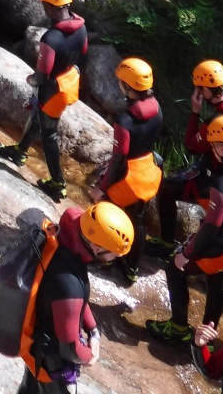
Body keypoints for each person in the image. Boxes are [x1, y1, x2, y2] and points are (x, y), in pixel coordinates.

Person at [146, 115, 223, 344]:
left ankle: (178, 327)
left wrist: (185, 255)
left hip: (221, 244)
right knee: (218, 284)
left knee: (175, 269)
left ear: (220, 146)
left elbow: (210, 228)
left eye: (213, 146)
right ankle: (207, 335)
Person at [18, 202, 134, 394]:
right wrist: (90, 355)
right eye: (113, 254)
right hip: (50, 357)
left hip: (35, 338)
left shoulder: (70, 229)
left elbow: (76, 303)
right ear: (97, 247)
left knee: (29, 388)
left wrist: (93, 330)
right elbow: (70, 349)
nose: (115, 259)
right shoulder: (69, 285)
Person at [150, 60, 223, 258]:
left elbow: (191, 146)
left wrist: (195, 110)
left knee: (166, 189)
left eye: (200, 89)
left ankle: (166, 243)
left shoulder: (217, 120)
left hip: (217, 180)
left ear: (206, 90)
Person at [0, 0, 88, 201]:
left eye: (45, 5)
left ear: (52, 6)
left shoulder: (51, 39)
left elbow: (42, 74)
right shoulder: (81, 27)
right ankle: (19, 152)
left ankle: (58, 183)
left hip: (51, 91)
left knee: (49, 135)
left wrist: (31, 79)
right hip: (67, 82)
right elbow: (83, 55)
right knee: (37, 119)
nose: (43, 9)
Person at [88, 57, 163, 284]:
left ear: (128, 86)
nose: (119, 84)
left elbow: (118, 161)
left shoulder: (125, 121)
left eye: (121, 82)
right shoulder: (157, 108)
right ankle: (131, 268)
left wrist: (102, 187)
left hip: (128, 177)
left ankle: (107, 257)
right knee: (137, 220)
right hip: (148, 170)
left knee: (108, 212)